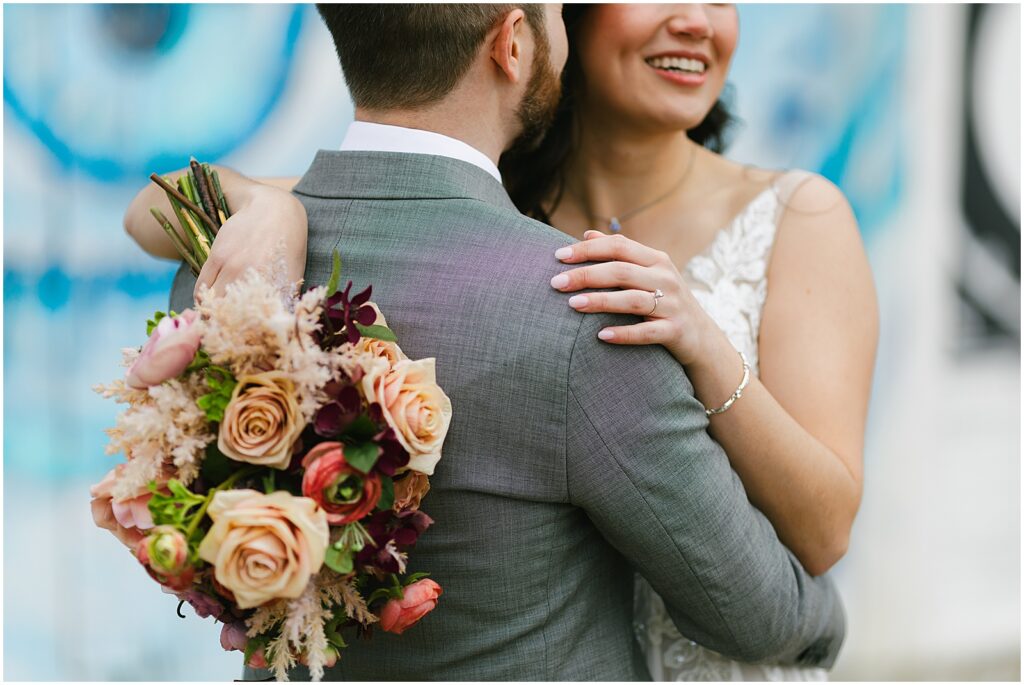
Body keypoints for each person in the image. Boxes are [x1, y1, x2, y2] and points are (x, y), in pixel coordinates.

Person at [125, 4, 848, 681]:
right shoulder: (589, 313)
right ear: (513, 43)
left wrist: (259, 202)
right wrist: (827, 616)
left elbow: (160, 200)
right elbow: (759, 614)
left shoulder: (220, 269)